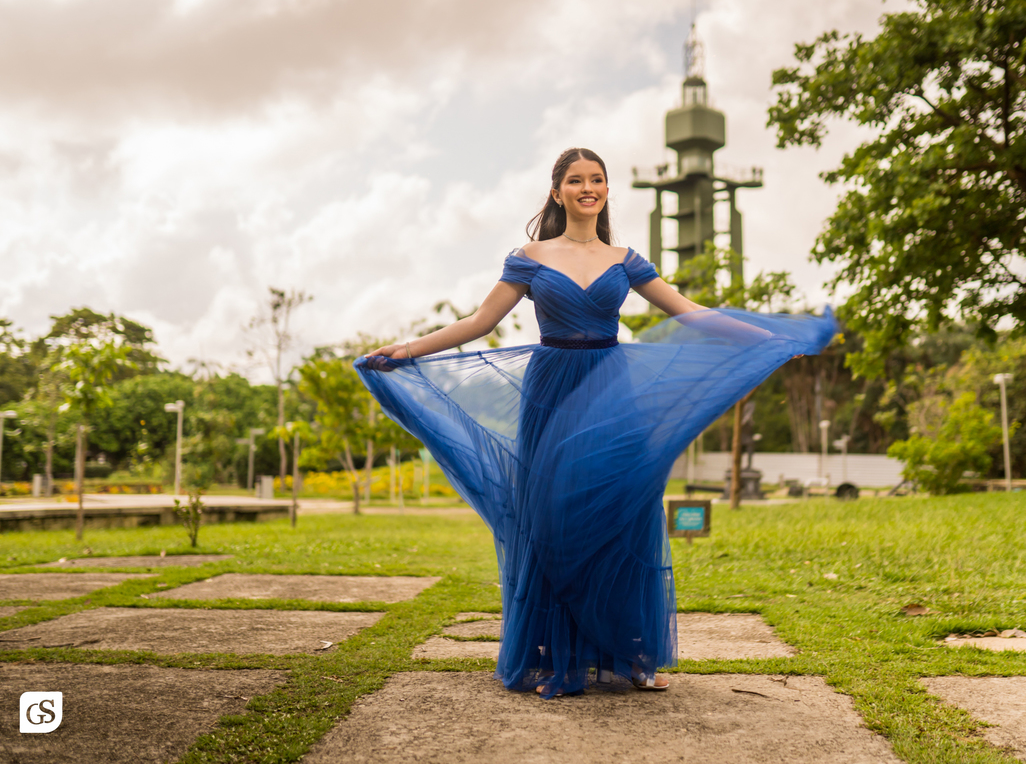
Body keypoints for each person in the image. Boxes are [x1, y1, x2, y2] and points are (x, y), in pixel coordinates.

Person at [358, 147, 836, 698]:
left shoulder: (624, 258)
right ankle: (561, 655)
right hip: (552, 392)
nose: (588, 187)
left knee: (622, 514)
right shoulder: (530, 256)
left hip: (612, 395)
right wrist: (409, 349)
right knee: (553, 520)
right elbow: (480, 322)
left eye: (598, 179)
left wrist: (772, 341)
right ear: (557, 191)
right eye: (576, 180)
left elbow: (691, 313)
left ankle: (631, 654)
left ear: (607, 190)